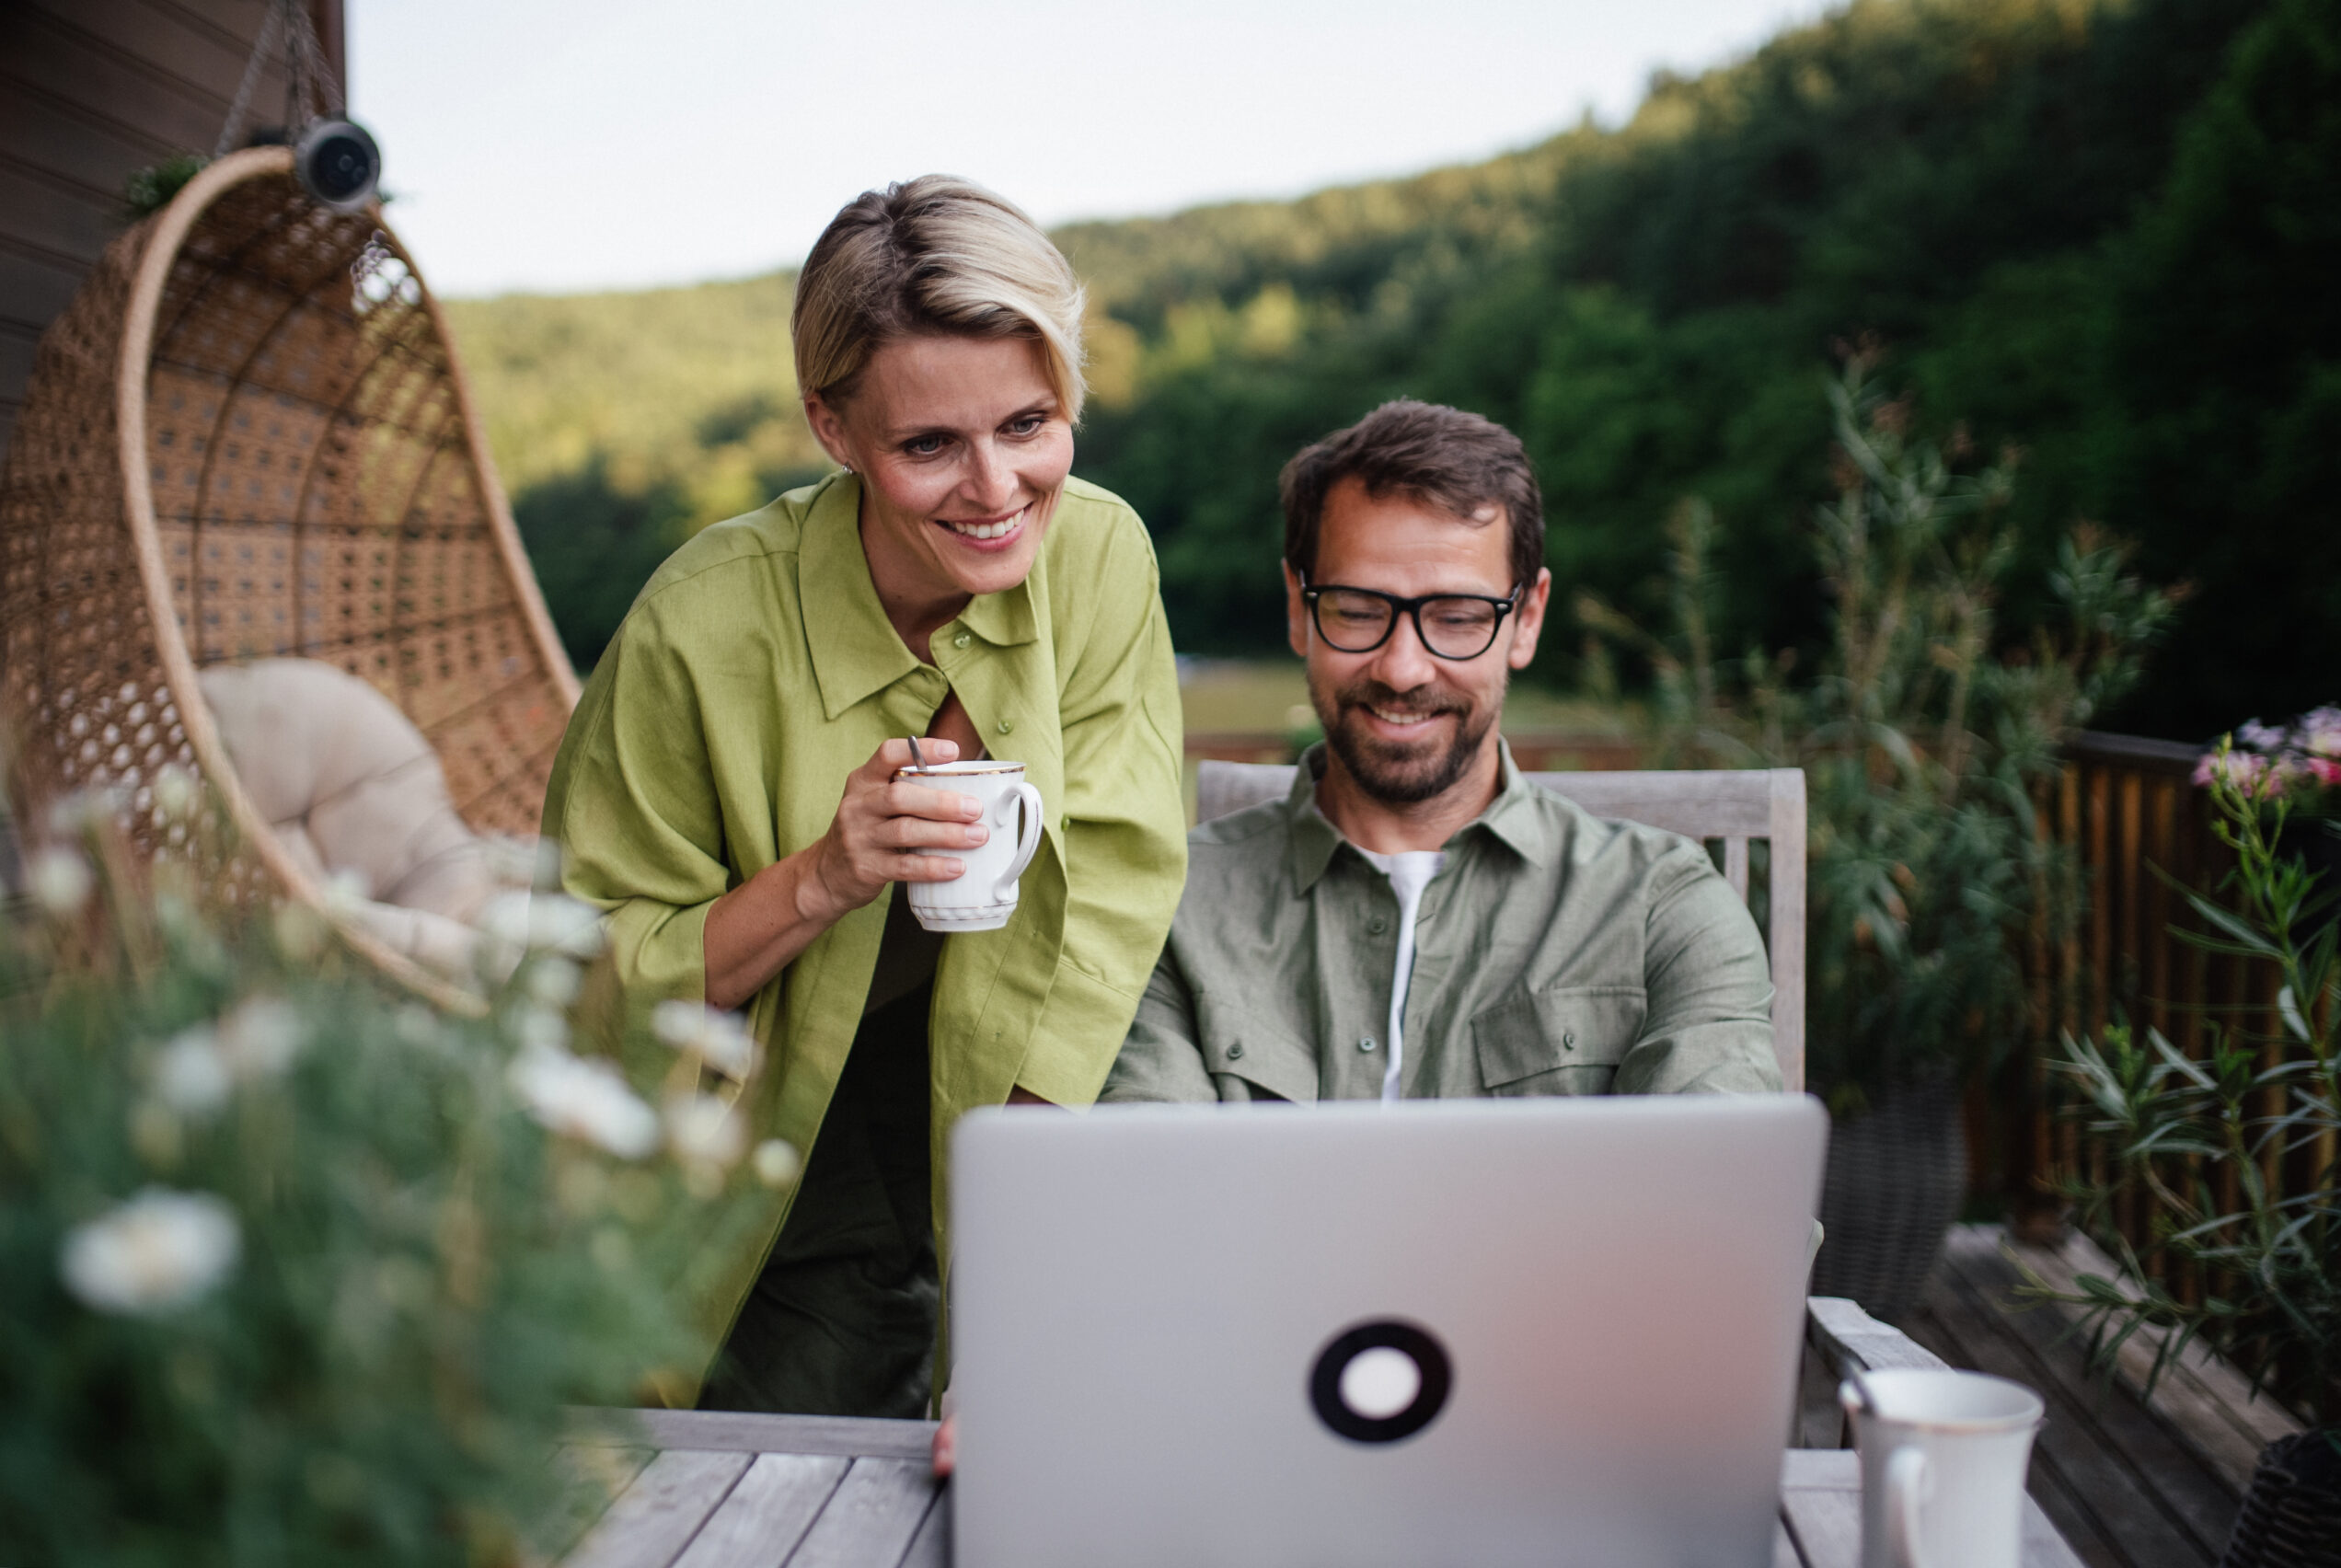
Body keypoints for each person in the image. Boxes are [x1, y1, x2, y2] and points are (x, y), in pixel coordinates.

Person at [543, 176, 1188, 1419]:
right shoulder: (699, 623)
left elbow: (1114, 877)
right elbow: (585, 979)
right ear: (835, 432)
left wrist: (1019, 1239)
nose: (997, 490)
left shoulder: (1103, 552)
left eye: (1030, 424)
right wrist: (824, 878)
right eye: (930, 445)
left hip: (1011, 1100)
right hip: (750, 1132)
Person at [1102, 399, 1780, 1105]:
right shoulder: (1171, 910)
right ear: (1300, 611)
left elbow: (1721, 1205)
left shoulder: (1660, 910)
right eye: (1359, 611)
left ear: (1528, 620)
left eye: (1456, 619)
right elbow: (1150, 1197)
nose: (1403, 669)